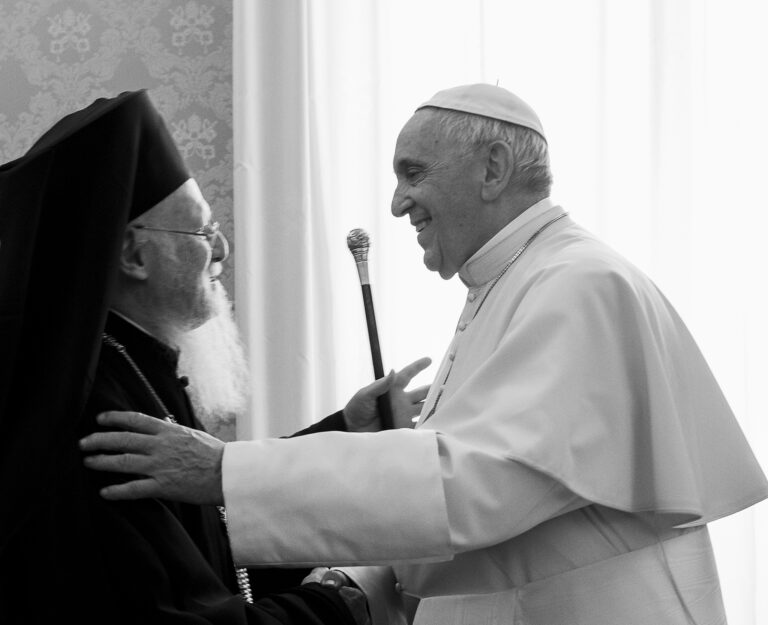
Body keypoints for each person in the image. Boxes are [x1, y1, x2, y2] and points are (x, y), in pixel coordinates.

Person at [79, 84, 768, 625]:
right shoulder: (518, 280)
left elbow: (475, 485)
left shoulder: (576, 284)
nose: (397, 200)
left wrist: (227, 470)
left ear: (492, 168)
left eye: (413, 172)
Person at [0, 89, 428, 625]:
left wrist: (344, 428)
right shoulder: (98, 420)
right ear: (134, 254)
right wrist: (344, 601)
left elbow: (212, 545)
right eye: (204, 230)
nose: (221, 250)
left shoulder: (133, 368)